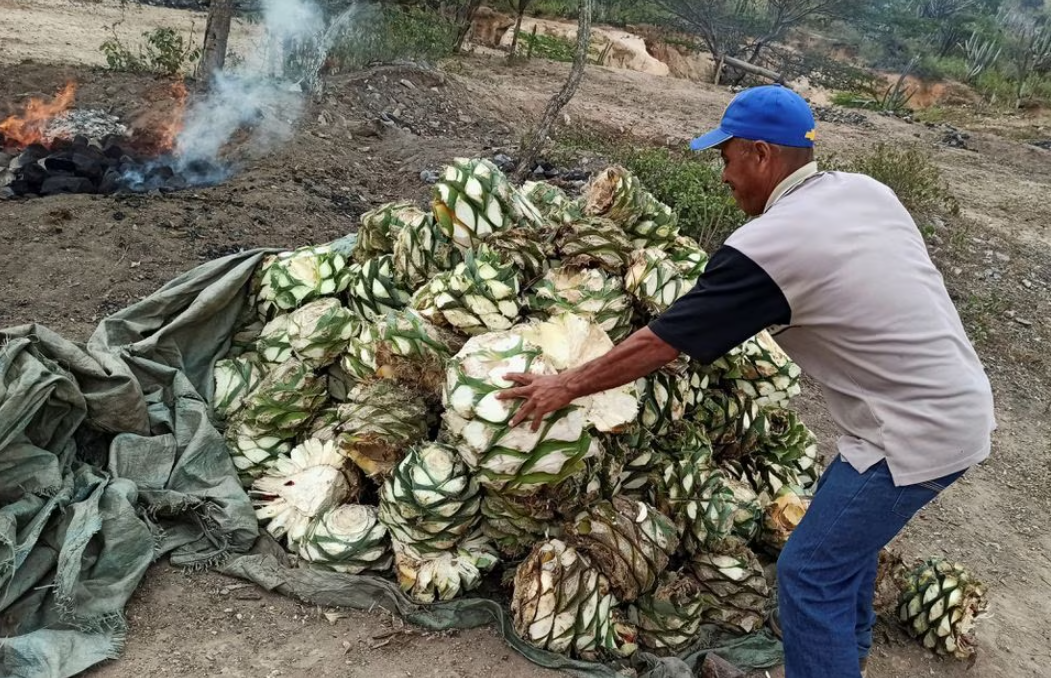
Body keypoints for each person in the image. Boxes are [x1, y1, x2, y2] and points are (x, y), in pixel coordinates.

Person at [496, 84, 996, 678]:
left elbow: (661, 342)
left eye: (726, 157)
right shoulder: (865, 191)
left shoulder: (771, 244)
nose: (723, 175)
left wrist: (566, 386)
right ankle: (849, 655)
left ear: (761, 154)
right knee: (842, 548)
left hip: (912, 432)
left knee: (809, 574)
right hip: (947, 402)